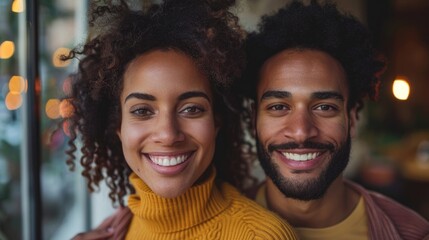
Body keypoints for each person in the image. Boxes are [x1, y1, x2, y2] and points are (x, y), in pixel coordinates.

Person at [62, 0, 297, 239]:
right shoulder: (118, 232)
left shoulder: (259, 235)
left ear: (216, 122)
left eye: (191, 109)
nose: (168, 134)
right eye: (142, 111)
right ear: (118, 127)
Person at [237, 0, 429, 239]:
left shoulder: (414, 233)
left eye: (325, 107)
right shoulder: (215, 230)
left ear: (353, 118)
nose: (301, 132)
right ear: (253, 119)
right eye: (278, 107)